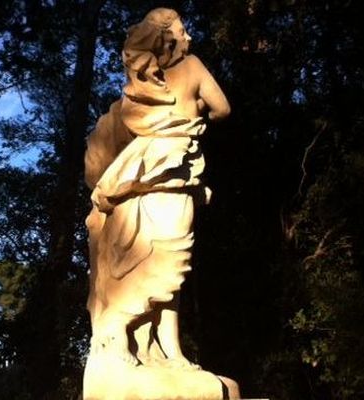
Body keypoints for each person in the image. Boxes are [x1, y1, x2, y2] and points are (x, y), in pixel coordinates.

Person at [84, 7, 230, 369]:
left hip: (140, 179)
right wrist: (195, 112)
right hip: (171, 175)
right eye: (183, 30)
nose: (189, 37)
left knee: (163, 265)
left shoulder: (141, 86)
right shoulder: (192, 67)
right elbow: (222, 109)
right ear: (166, 36)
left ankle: (165, 349)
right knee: (170, 263)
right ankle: (121, 331)